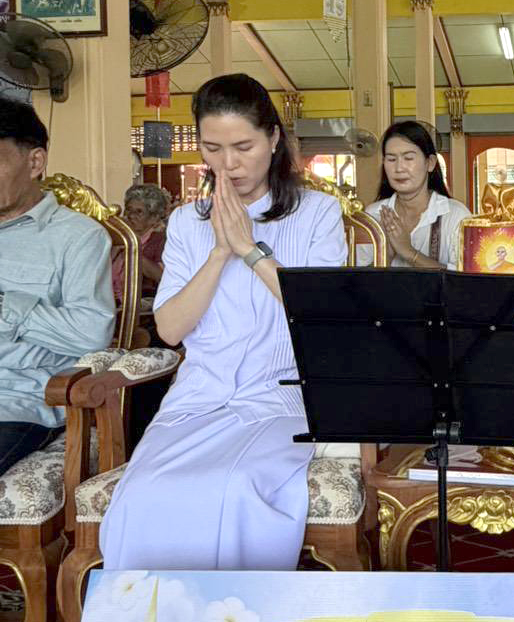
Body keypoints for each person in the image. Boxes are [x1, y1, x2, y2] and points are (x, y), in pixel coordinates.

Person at [99, 74, 348, 571]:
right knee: (146, 492)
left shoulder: (318, 212)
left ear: (274, 140)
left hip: (283, 399)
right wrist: (217, 252)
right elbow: (169, 329)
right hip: (198, 398)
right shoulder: (190, 223)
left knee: (237, 487)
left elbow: (324, 316)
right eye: (212, 148)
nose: (227, 164)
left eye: (243, 146)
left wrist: (249, 251)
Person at [0, 98, 115, 477]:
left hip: (16, 402)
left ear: (34, 163)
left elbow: (92, 334)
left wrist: (8, 306)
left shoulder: (77, 237)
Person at [365, 121, 470, 269]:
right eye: (391, 159)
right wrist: (385, 255)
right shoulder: (372, 216)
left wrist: (408, 252)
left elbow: (462, 282)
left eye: (408, 158)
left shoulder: (455, 215)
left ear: (430, 163)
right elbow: (356, 284)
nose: (399, 168)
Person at [112, 183, 170, 303]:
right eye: (128, 210)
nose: (131, 216)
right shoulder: (118, 237)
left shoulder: (160, 240)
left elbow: (162, 276)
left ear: (154, 217)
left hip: (145, 309)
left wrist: (132, 249)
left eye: (139, 212)